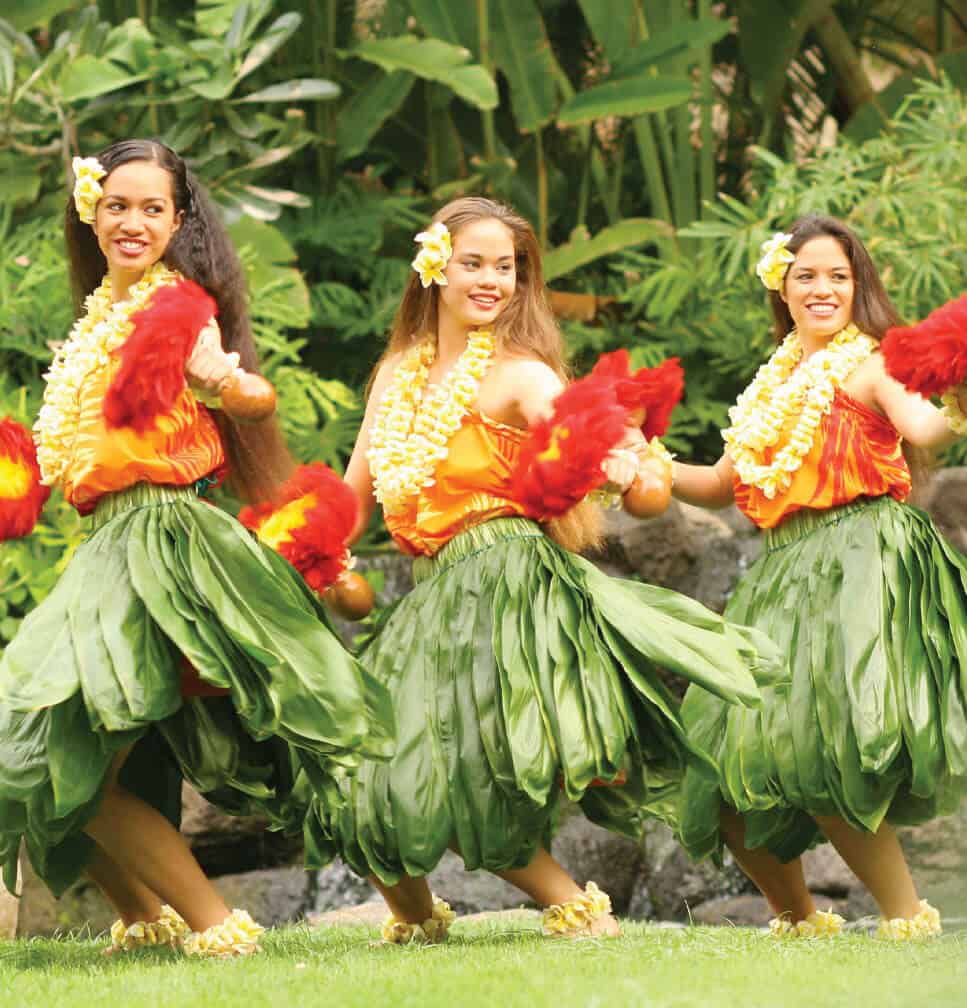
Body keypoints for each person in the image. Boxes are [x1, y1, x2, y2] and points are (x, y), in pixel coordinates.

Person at [305, 196, 779, 942]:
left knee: (460, 770)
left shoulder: (523, 376)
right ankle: (417, 920)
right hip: (435, 595)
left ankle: (574, 907)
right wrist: (311, 546)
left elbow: (588, 441)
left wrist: (624, 460)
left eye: (507, 267)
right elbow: (355, 492)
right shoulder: (397, 371)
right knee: (360, 775)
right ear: (435, 266)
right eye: (474, 263)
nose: (491, 280)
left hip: (508, 586)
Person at [0, 139, 392, 957]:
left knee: (63, 746)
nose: (132, 222)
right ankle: (147, 915)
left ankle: (216, 925)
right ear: (91, 212)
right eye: (117, 205)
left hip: (165, 541)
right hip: (110, 543)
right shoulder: (97, 321)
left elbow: (241, 393)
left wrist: (226, 380)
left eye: (152, 209)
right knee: (61, 753)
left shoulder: (180, 308)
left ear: (179, 222)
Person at [673, 214, 967, 939]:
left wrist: (958, 395)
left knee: (823, 747)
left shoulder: (868, 362)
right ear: (782, 283)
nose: (822, 288)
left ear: (857, 284)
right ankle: (799, 921)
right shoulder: (772, 381)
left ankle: (905, 917)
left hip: (861, 561)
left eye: (838, 274)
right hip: (783, 571)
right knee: (721, 756)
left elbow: (922, 427)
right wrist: (641, 465)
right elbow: (718, 484)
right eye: (806, 274)